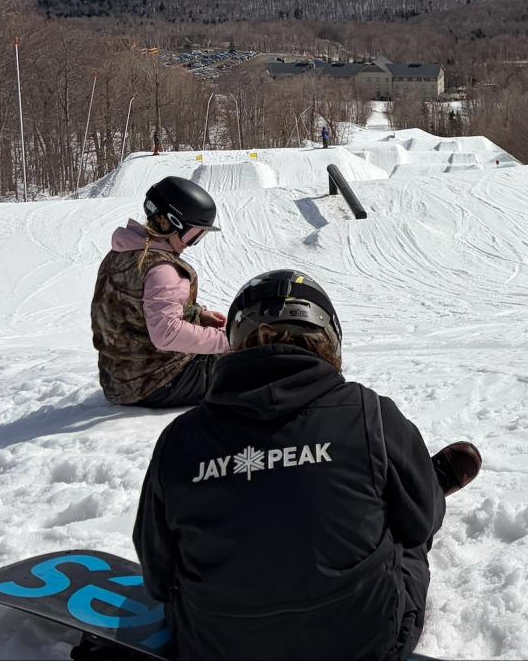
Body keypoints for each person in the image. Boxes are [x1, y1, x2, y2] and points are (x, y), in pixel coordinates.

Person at [133, 270, 480, 660]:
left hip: (213, 647)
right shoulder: (370, 414)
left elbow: (158, 576)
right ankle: (417, 479)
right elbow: (421, 522)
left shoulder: (180, 439)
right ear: (329, 339)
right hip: (366, 645)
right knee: (406, 533)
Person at [91, 177, 229, 408]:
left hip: (118, 380)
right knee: (250, 361)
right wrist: (228, 341)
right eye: (193, 235)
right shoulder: (162, 269)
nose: (191, 244)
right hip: (158, 383)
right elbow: (167, 334)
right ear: (170, 222)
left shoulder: (121, 253)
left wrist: (196, 315)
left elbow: (132, 307)